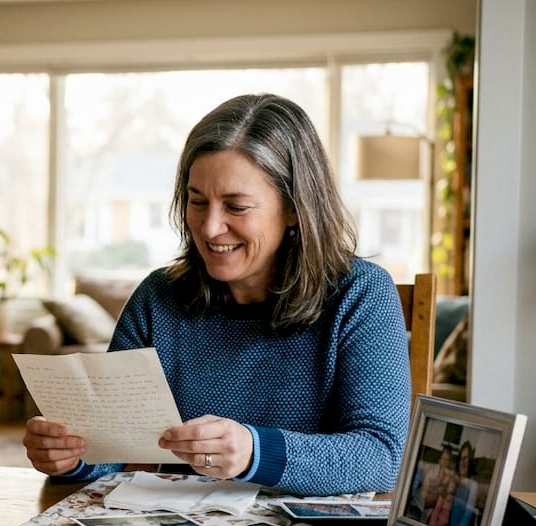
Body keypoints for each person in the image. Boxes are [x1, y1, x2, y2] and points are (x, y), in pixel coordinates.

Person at [22, 93, 410, 496]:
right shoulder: (159, 298)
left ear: (295, 208)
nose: (209, 228)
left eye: (236, 207)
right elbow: (112, 443)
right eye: (197, 202)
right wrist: (72, 456)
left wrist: (254, 452)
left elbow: (382, 457)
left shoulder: (361, 293)